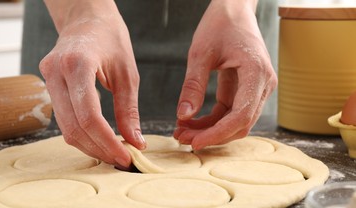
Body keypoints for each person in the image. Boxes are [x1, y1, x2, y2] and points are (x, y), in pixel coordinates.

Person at [22, 0, 277, 169]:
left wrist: (236, 6)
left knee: (227, 133)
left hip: (231, 25)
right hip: (70, 16)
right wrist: (80, 11)